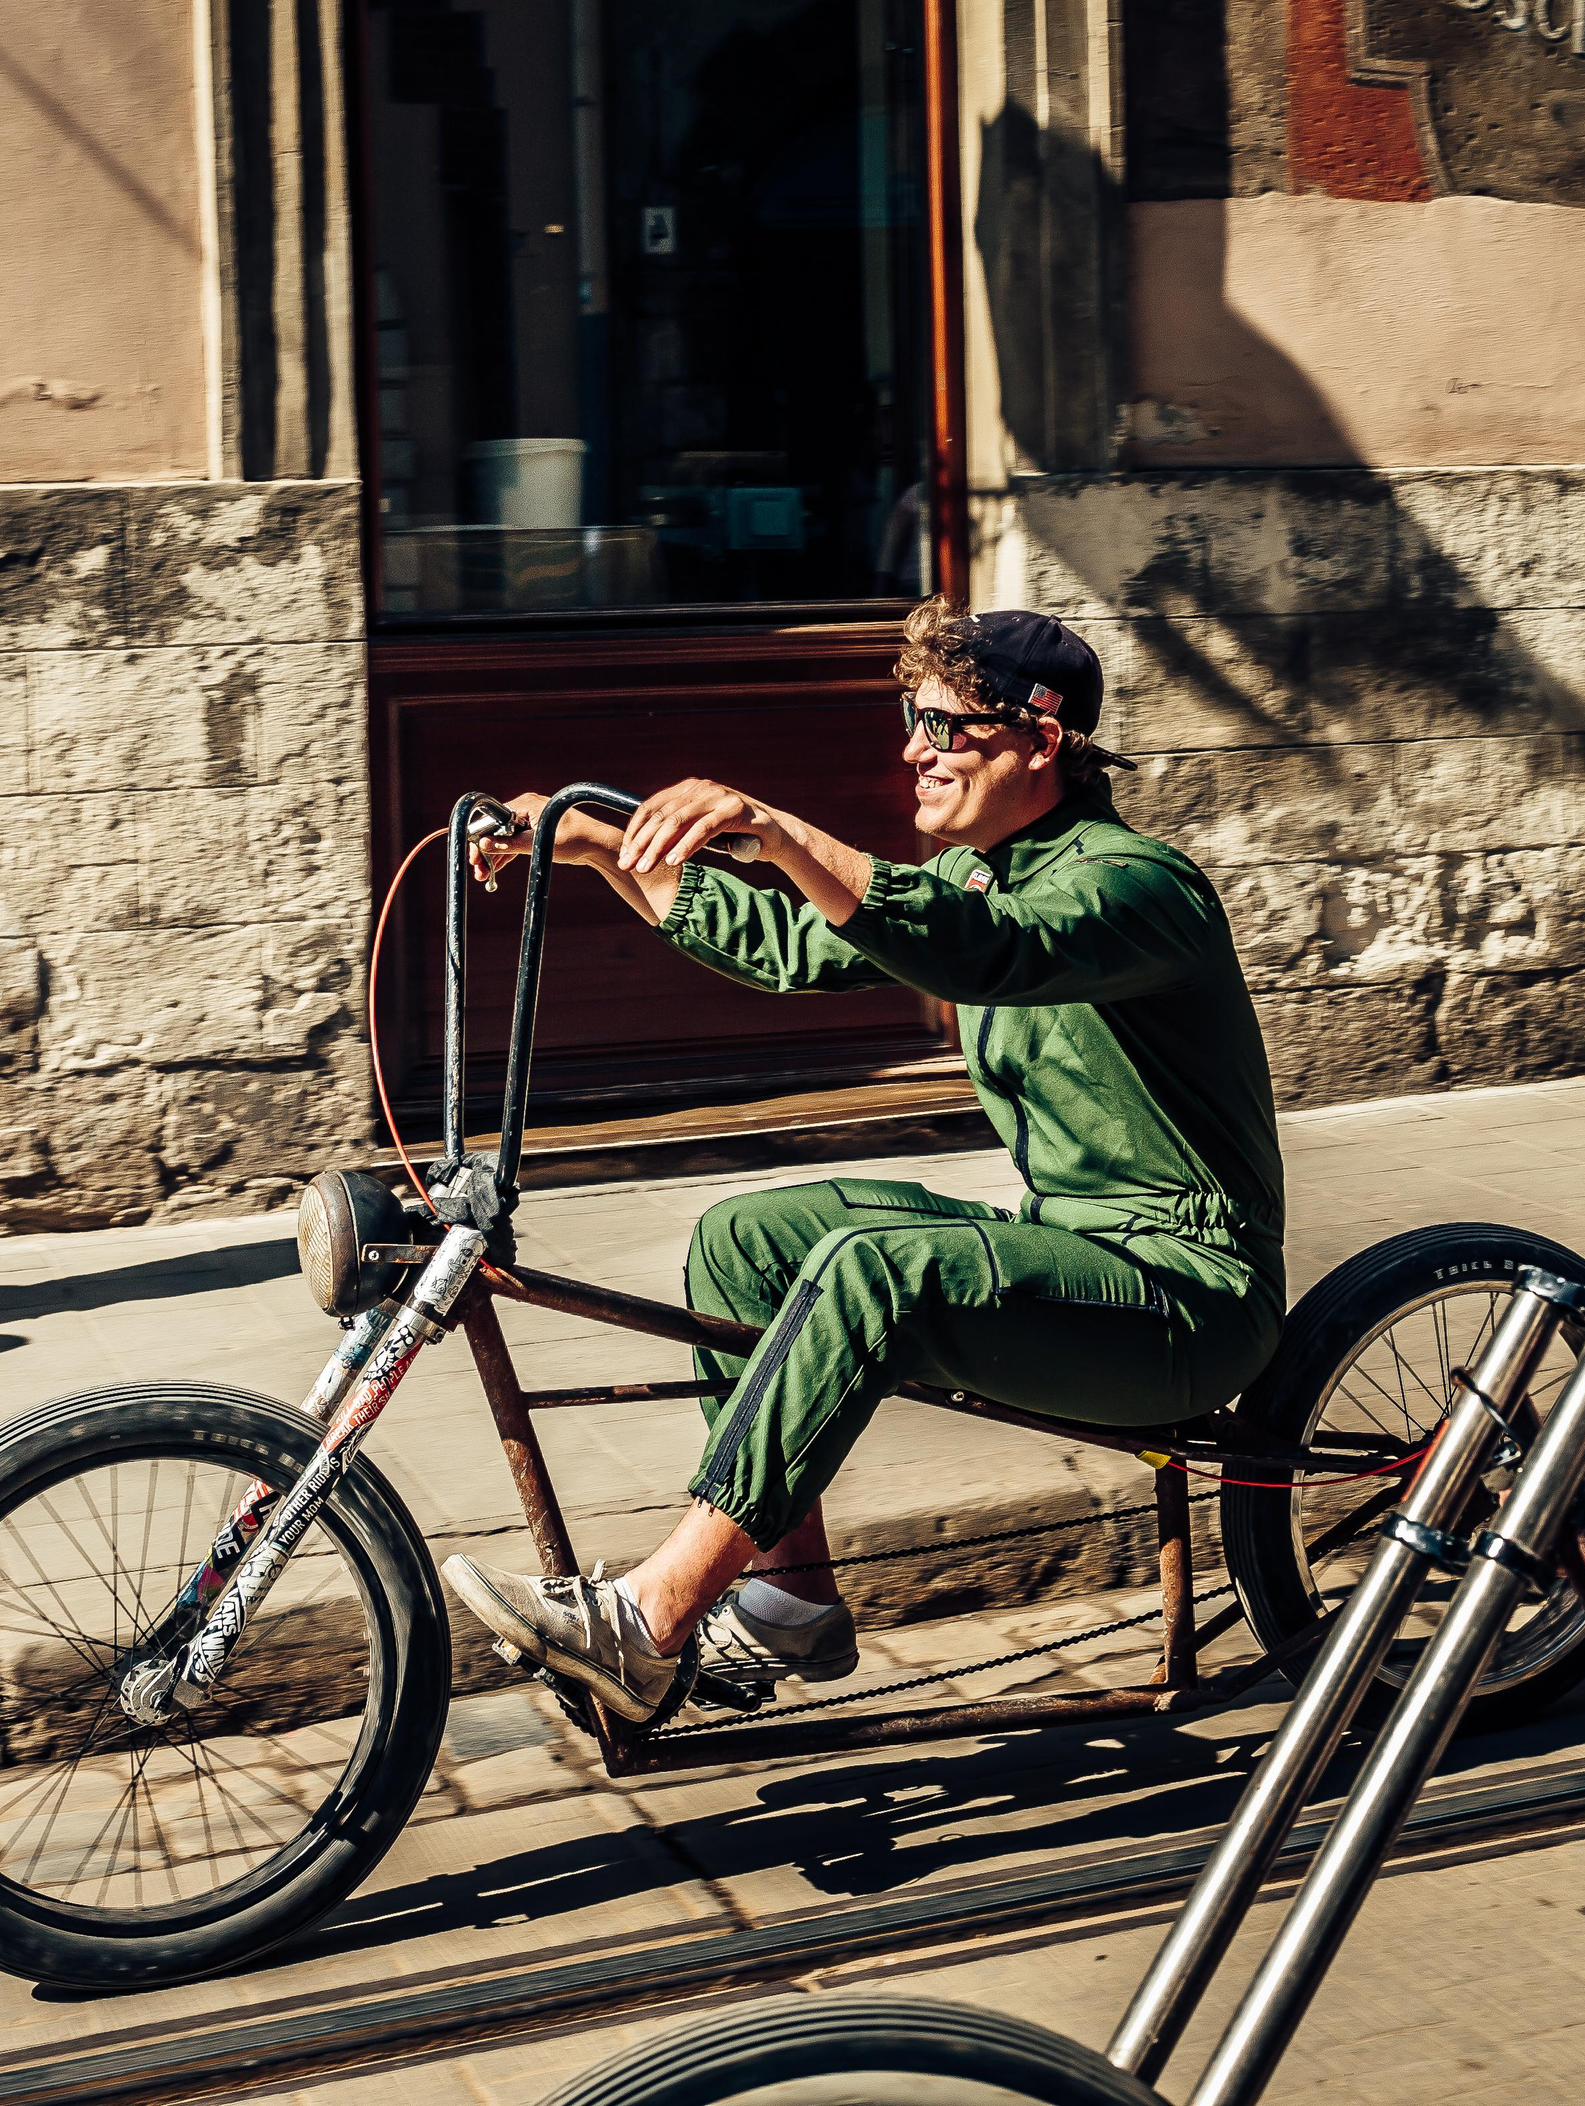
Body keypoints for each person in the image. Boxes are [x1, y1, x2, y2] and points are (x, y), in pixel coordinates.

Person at [442, 599, 1285, 1724]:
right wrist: (596, 842)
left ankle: (650, 1618)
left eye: (944, 726)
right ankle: (790, 1600)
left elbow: (989, 951)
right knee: (751, 1241)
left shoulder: (1138, 886)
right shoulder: (987, 875)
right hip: (1077, 1254)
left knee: (873, 1268)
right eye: (909, 718)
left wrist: (784, 832)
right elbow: (788, 945)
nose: (911, 751)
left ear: (1043, 741)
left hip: (1187, 1300)